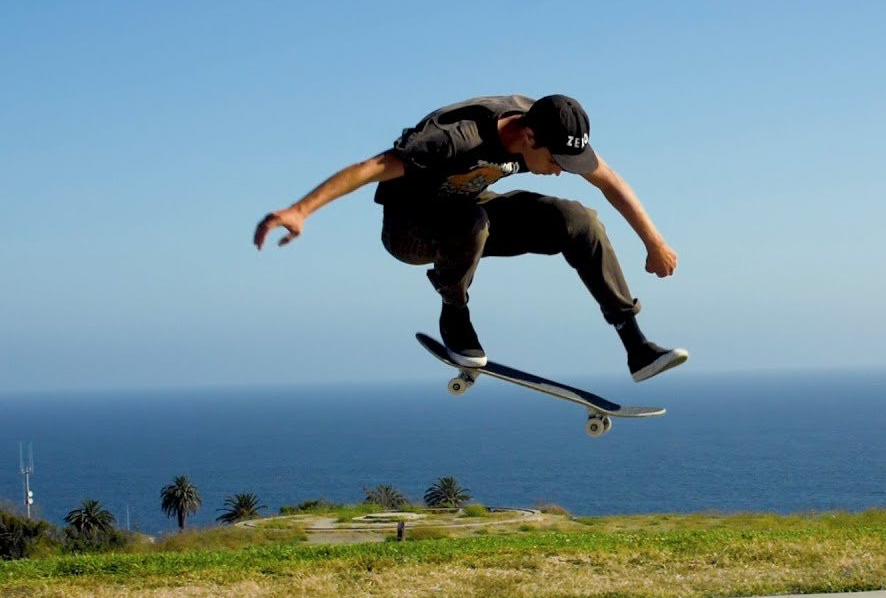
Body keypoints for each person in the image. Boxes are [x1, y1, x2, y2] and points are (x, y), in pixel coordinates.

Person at [253, 94, 688, 382]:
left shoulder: (542, 119)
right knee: (470, 220)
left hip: (473, 215)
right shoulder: (451, 139)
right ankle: (454, 315)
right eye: (557, 162)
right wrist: (301, 210)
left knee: (576, 218)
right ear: (528, 136)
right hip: (411, 231)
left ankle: (635, 345)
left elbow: (608, 180)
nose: (561, 171)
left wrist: (654, 242)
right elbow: (370, 169)